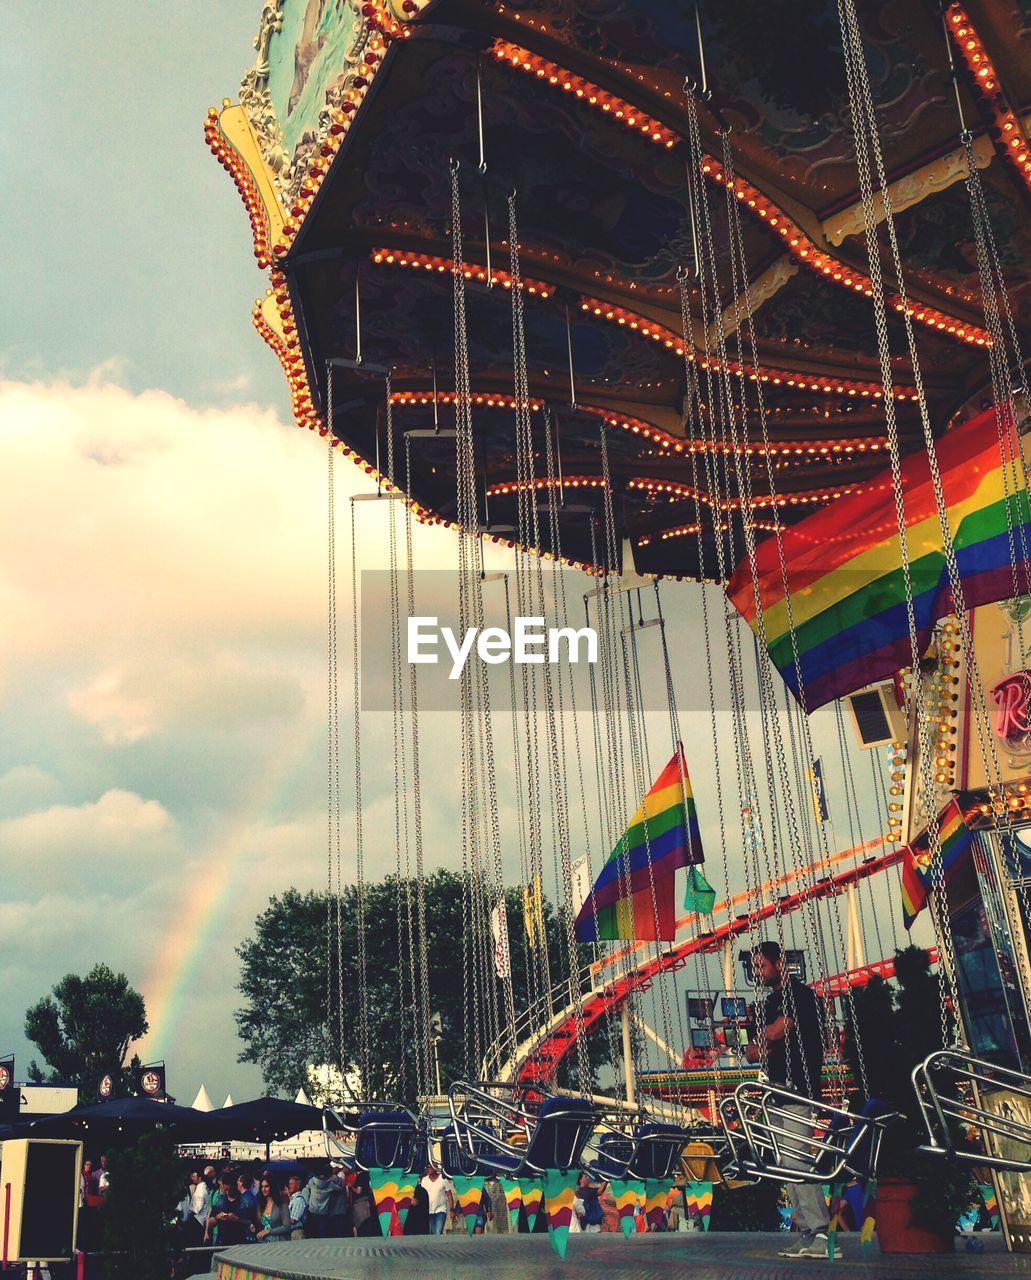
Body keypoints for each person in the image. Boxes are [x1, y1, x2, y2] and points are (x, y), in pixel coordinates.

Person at [746, 940, 834, 1260]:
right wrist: (767, 1037)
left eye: (761, 966)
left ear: (778, 964)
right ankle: (809, 1231)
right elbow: (754, 1049)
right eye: (754, 967)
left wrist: (769, 1037)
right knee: (786, 1165)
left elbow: (774, 1034)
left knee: (797, 1160)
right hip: (777, 1090)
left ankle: (821, 1231)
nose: (757, 972)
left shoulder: (800, 995)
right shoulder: (769, 1002)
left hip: (797, 1087)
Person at [205, 1171, 249, 1248]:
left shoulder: (245, 1202)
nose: (228, 1192)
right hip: (222, 1242)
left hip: (239, 1243)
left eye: (230, 1190)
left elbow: (251, 1223)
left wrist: (236, 1219)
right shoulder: (220, 1201)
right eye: (225, 1190)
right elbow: (210, 1223)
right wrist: (217, 1217)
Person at [255, 1175, 291, 1243]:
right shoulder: (261, 1205)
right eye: (262, 1187)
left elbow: (287, 1227)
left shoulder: (282, 1205)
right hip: (263, 1243)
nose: (263, 1189)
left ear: (272, 1187)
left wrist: (269, 1231)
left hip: (278, 1243)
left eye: (266, 1186)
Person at [419, 1165, 453, 1236]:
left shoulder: (443, 1179)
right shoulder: (424, 1180)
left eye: (430, 1167)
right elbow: (421, 1195)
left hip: (441, 1210)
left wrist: (452, 1209)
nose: (428, 1169)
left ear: (435, 1168)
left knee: (438, 1232)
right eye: (427, 1167)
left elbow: (449, 1195)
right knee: (433, 1233)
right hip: (428, 1211)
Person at [184, 1169, 210, 1247]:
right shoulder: (200, 1188)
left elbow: (196, 1209)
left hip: (197, 1220)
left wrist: (188, 1216)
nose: (192, 1178)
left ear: (200, 1178)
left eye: (194, 1177)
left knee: (194, 1243)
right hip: (198, 1219)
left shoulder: (201, 1190)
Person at [286, 1173, 309, 1240]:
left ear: (298, 1186)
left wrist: (281, 1220)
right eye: (289, 1184)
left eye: (291, 1184)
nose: (289, 1186)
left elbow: (293, 1220)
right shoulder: (293, 1199)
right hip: (292, 1231)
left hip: (297, 1232)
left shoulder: (298, 1200)